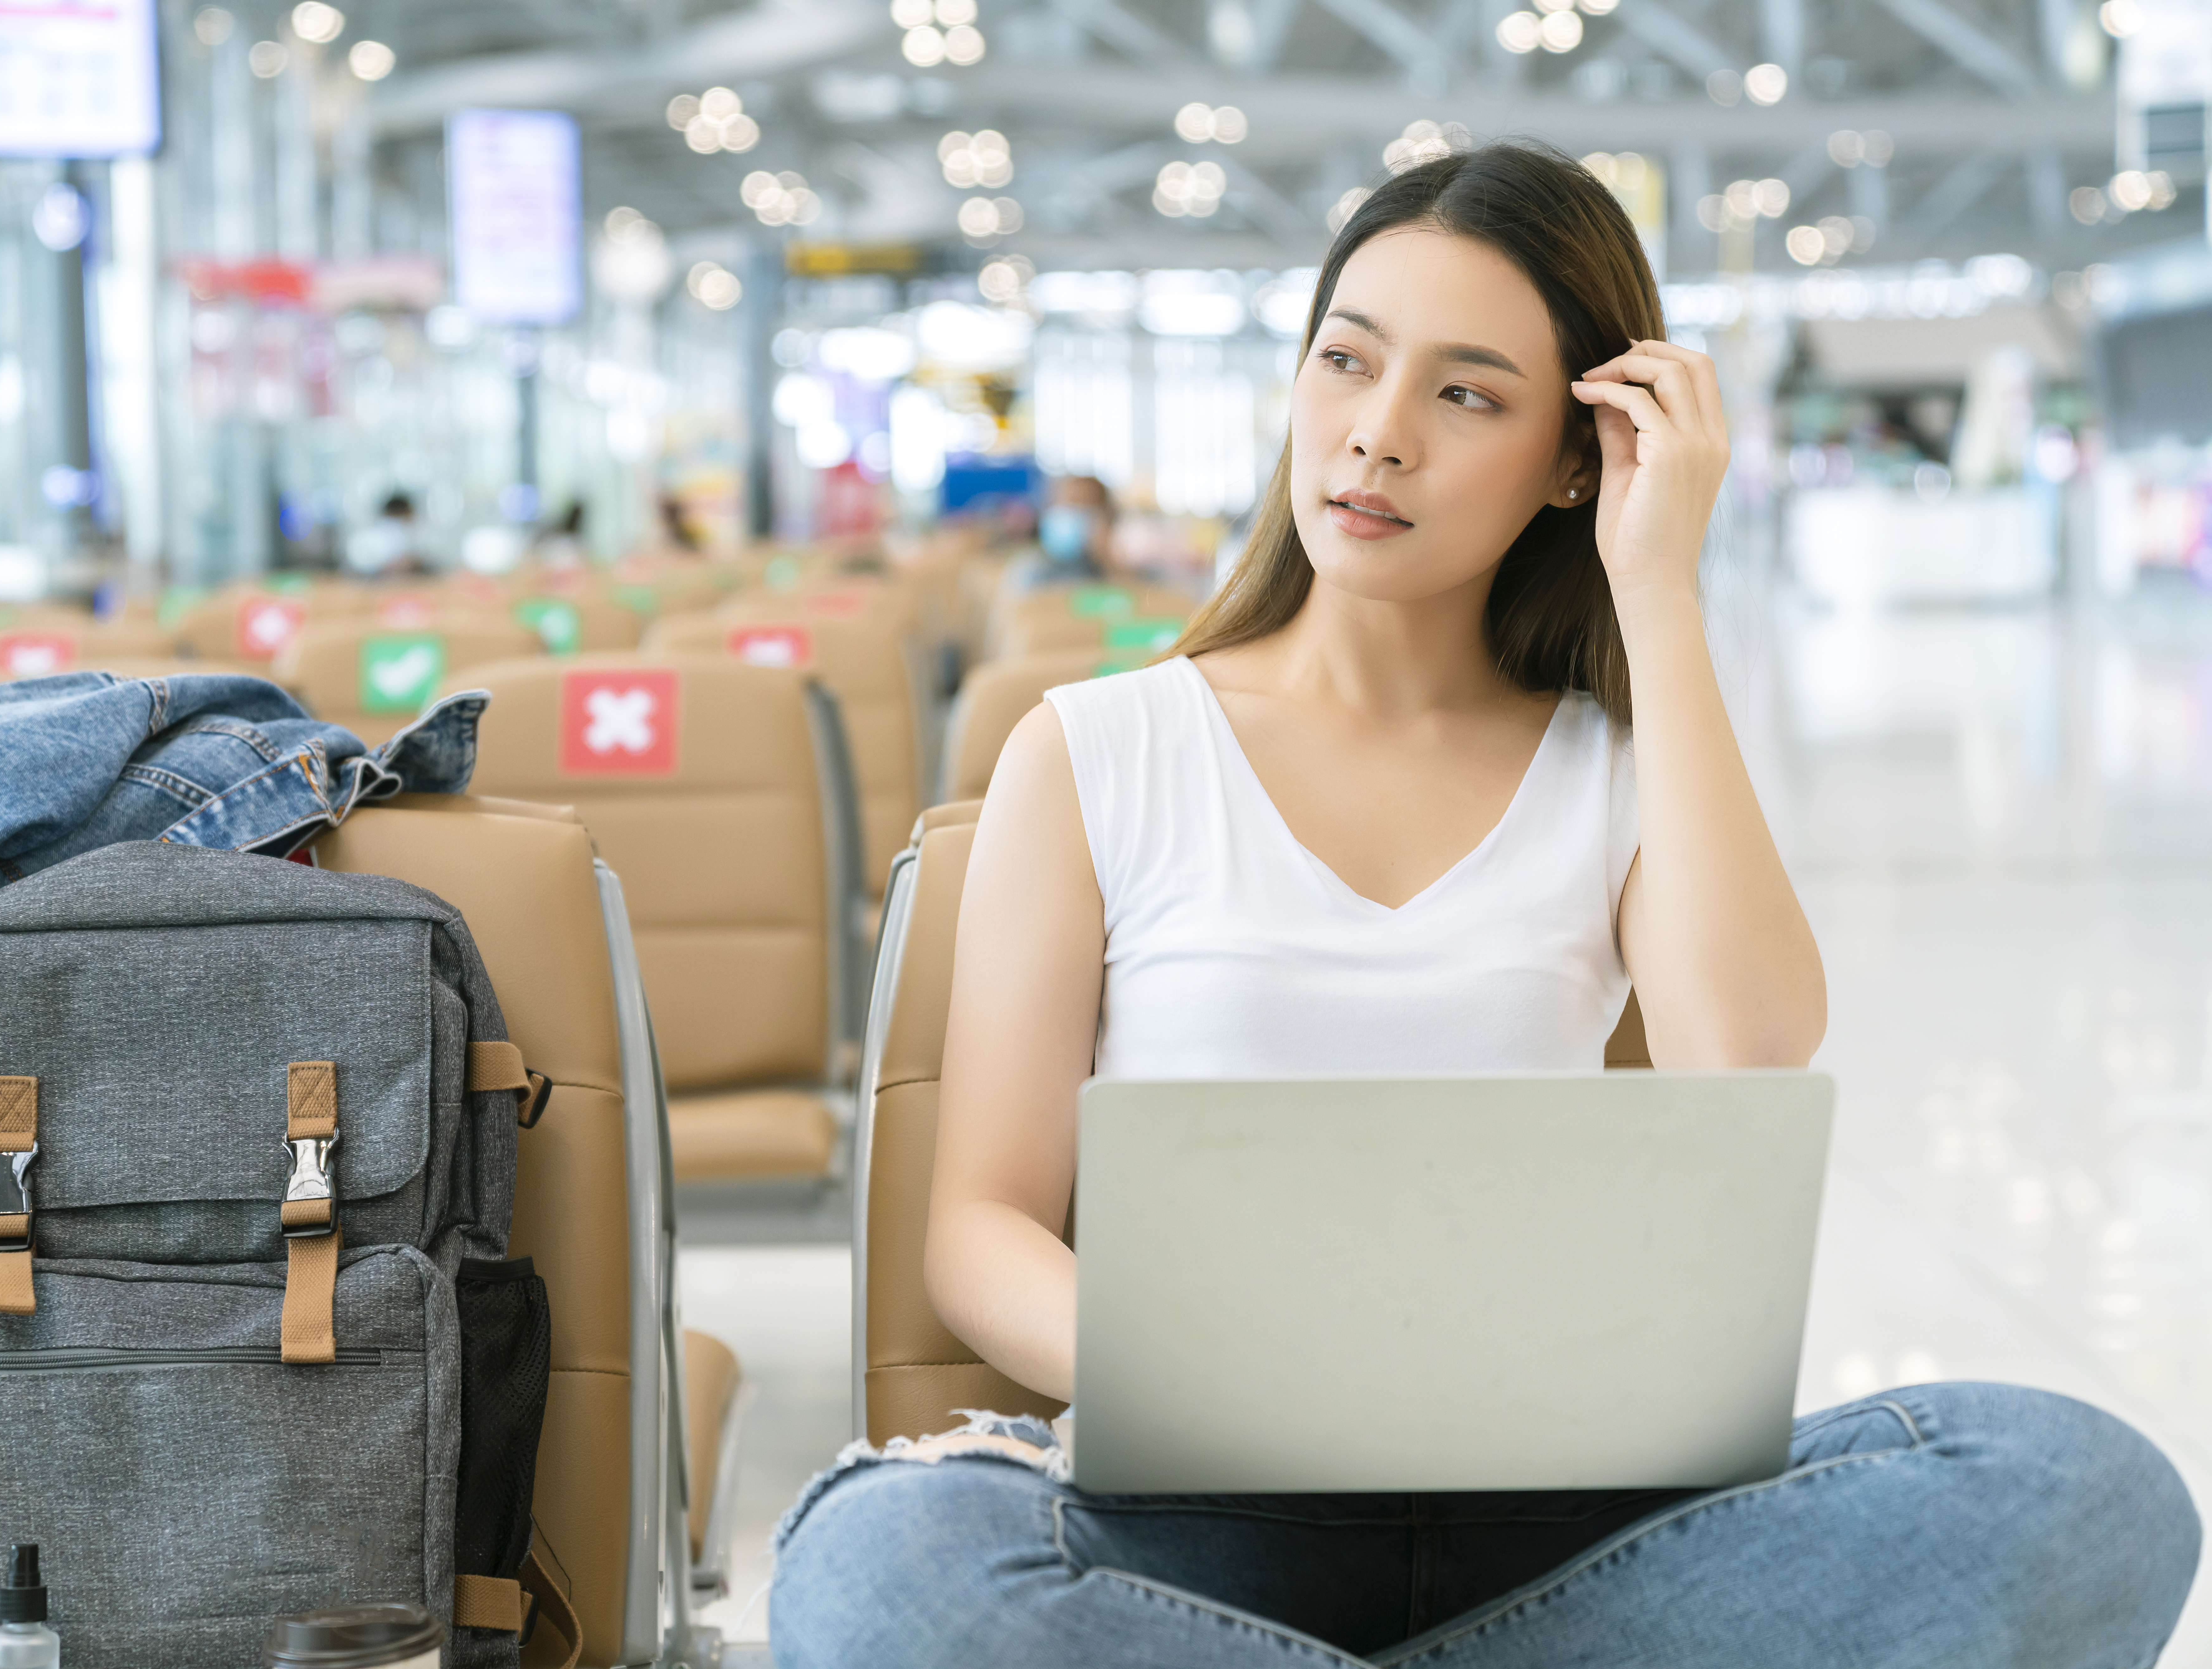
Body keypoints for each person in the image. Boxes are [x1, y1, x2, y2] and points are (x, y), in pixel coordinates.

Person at [770, 142, 2198, 1667]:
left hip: (1570, 1514)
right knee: (877, 1563)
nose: (1375, 437)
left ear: (1574, 458)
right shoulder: (1097, 752)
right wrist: (1219, 1380)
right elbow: (979, 1231)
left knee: (2079, 1489)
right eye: (1345, 362)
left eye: (1464, 395)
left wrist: (1658, 592)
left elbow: (1744, 1061)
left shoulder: (1611, 773)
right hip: (1197, 1509)